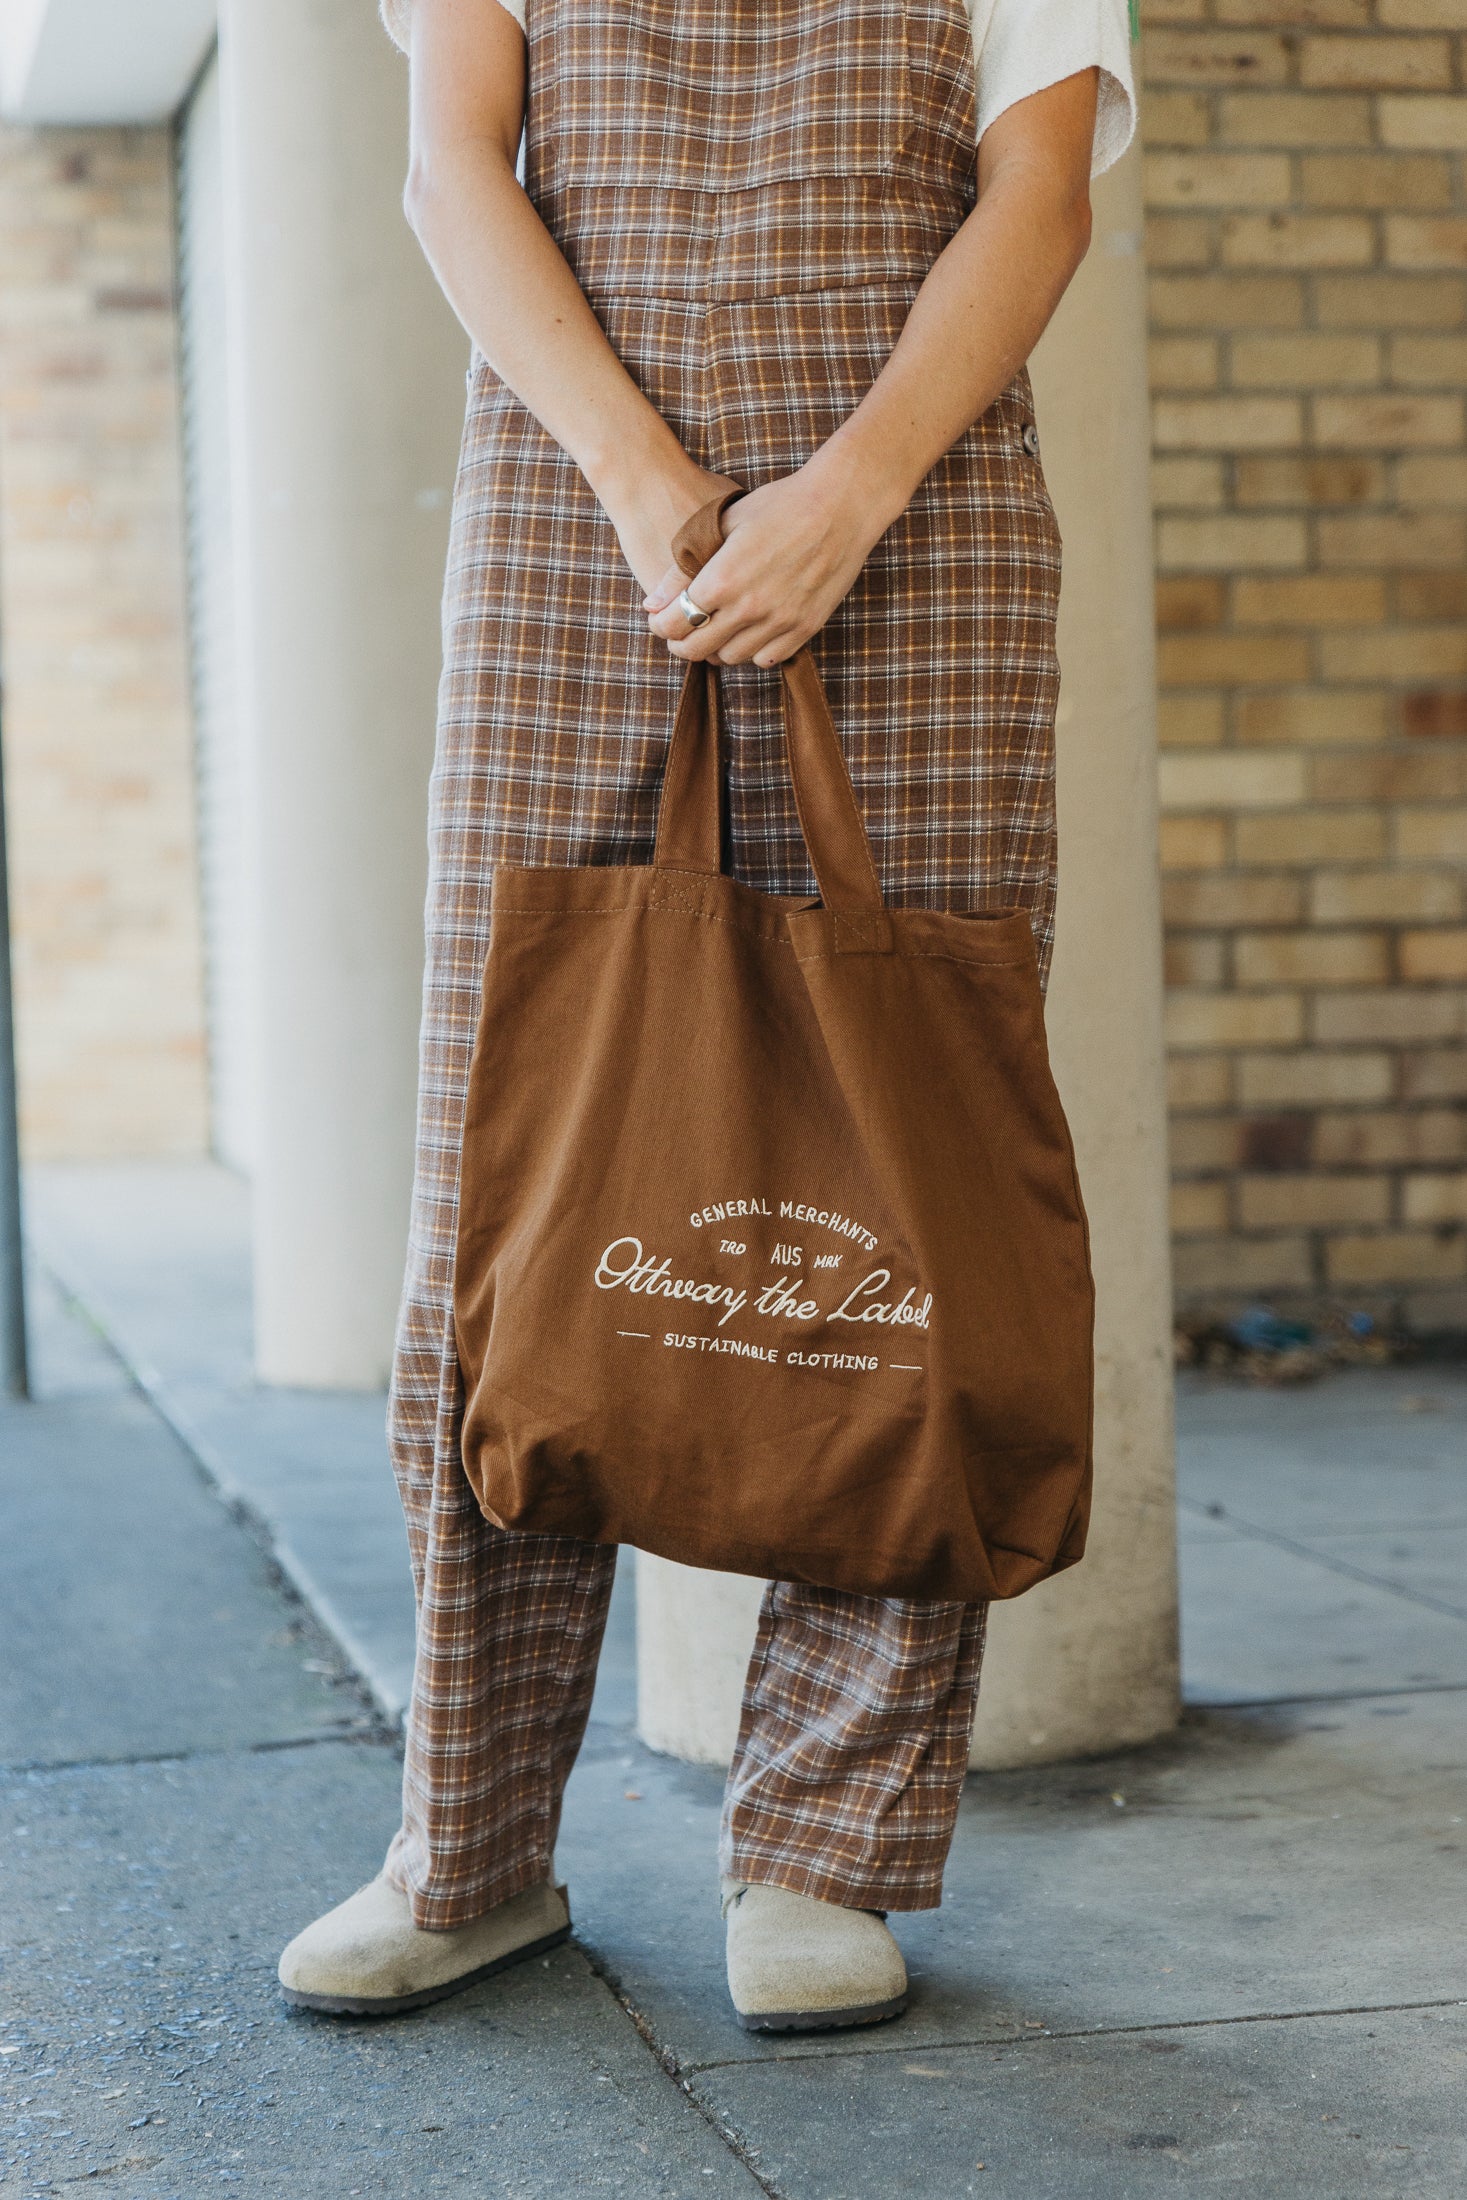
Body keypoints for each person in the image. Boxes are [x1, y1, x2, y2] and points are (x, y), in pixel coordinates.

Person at [278, 0, 1135, 2030]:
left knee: (899, 1172)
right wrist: (641, 473)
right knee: (509, 1186)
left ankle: (823, 1839)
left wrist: (839, 496)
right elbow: (451, 163)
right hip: (574, 536)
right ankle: (468, 1844)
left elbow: (1030, 202)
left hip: (917, 540)